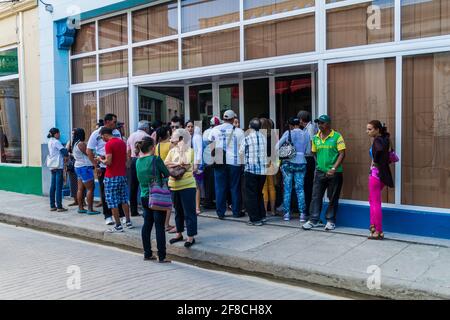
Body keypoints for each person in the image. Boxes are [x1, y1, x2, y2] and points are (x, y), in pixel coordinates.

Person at [302, 115, 346, 231]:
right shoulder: (315, 138)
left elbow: (342, 153)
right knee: (316, 196)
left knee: (332, 197)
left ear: (328, 124)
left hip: (334, 173)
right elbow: (314, 153)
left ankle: (330, 221)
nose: (319, 125)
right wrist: (318, 165)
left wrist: (333, 168)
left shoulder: (337, 136)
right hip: (320, 172)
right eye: (318, 123)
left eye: (322, 123)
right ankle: (313, 220)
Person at [136, 137, 171, 263]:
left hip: (144, 196)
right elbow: (166, 173)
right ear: (152, 147)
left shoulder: (138, 161)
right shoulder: (155, 159)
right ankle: (162, 256)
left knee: (147, 225)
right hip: (156, 196)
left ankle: (147, 253)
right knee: (159, 226)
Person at [87, 113, 124, 225]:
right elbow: (89, 151)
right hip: (103, 167)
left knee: (119, 192)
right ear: (107, 122)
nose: (116, 124)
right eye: (114, 122)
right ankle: (107, 215)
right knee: (105, 192)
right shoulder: (96, 134)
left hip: (116, 167)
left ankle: (121, 215)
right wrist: (96, 166)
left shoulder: (117, 133)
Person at [209, 110, 245, 219]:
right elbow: (242, 149)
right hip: (234, 162)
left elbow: (211, 144)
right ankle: (236, 212)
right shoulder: (239, 132)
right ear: (233, 118)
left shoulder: (215, 130)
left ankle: (220, 212)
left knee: (220, 187)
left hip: (219, 161)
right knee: (235, 187)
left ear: (223, 118)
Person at [165, 129, 197, 248]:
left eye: (174, 138)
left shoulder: (190, 151)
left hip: (187, 185)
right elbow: (165, 163)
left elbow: (185, 162)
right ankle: (179, 233)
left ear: (181, 139)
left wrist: (173, 163)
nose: (172, 141)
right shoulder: (172, 151)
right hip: (174, 185)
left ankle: (190, 236)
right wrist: (176, 164)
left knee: (189, 212)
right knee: (178, 211)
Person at [97, 127, 133, 232]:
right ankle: (128, 221)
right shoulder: (122, 142)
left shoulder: (109, 144)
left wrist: (100, 159)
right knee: (124, 200)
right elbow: (125, 158)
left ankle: (118, 225)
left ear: (104, 134)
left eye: (101, 137)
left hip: (111, 176)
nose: (102, 139)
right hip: (122, 175)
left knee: (112, 202)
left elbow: (109, 162)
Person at [276, 117, 310, 222]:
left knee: (287, 188)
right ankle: (302, 215)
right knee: (300, 189)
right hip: (301, 162)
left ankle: (286, 214)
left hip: (288, 163)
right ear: (299, 124)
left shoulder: (288, 133)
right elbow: (308, 151)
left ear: (291, 125)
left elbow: (276, 146)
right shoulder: (306, 134)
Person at [367, 120, 394, 240]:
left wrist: (375, 163)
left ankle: (378, 231)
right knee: (372, 200)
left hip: (376, 174)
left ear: (377, 130)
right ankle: (373, 226)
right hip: (382, 175)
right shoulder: (386, 139)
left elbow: (378, 152)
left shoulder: (377, 140)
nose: (367, 131)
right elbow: (390, 155)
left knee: (375, 202)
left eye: (370, 129)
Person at [239, 118, 267, 226]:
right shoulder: (263, 137)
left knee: (250, 195)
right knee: (259, 193)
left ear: (250, 127)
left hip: (251, 170)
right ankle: (262, 215)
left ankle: (255, 219)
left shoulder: (247, 138)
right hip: (262, 171)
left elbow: (241, 152)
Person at [72, 128, 99, 215]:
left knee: (80, 189)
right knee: (90, 189)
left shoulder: (74, 144)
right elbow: (89, 153)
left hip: (78, 167)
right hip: (85, 167)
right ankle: (90, 209)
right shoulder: (81, 144)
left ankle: (80, 207)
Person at [126, 120, 151, 217]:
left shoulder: (131, 136)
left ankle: (133, 210)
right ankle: (147, 210)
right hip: (144, 161)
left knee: (133, 186)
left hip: (133, 161)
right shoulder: (147, 137)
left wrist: (129, 161)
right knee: (145, 185)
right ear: (145, 128)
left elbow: (128, 150)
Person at [155, 126, 176, 233]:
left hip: (160, 175)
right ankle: (166, 224)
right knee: (169, 202)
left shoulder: (157, 146)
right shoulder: (170, 145)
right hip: (169, 173)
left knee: (161, 200)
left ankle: (162, 222)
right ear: (167, 133)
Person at [298, 110, 318, 220]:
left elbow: (311, 143)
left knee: (308, 184)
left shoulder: (310, 128)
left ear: (301, 120)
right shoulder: (308, 127)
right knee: (307, 184)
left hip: (309, 158)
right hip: (309, 158)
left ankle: (308, 210)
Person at [47, 128, 68, 212]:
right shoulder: (56, 142)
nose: (59, 135)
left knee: (53, 186)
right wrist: (67, 147)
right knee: (58, 187)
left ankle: (52, 205)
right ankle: (59, 206)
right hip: (58, 166)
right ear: (55, 134)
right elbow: (64, 152)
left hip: (52, 166)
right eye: (59, 133)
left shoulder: (50, 141)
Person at [202, 116, 221, 210]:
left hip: (206, 161)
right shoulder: (216, 132)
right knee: (213, 183)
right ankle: (210, 202)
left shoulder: (205, 132)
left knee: (207, 183)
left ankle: (208, 201)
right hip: (213, 160)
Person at [186, 120, 203, 215]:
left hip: (196, 164)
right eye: (188, 126)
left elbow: (200, 151)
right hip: (187, 164)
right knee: (189, 186)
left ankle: (197, 207)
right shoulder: (185, 138)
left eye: (191, 126)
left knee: (196, 185)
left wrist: (197, 164)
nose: (190, 128)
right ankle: (191, 206)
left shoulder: (197, 137)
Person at [260, 118, 277, 216]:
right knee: (271, 186)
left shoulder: (259, 136)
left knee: (264, 187)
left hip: (263, 161)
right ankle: (273, 210)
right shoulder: (273, 135)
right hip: (271, 161)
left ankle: (265, 211)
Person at [66, 129, 79, 207]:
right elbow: (66, 151)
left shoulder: (80, 142)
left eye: (74, 133)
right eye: (72, 133)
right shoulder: (70, 142)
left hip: (79, 164)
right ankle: (75, 200)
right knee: (73, 183)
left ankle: (82, 201)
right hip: (71, 165)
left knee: (80, 184)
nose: (73, 135)